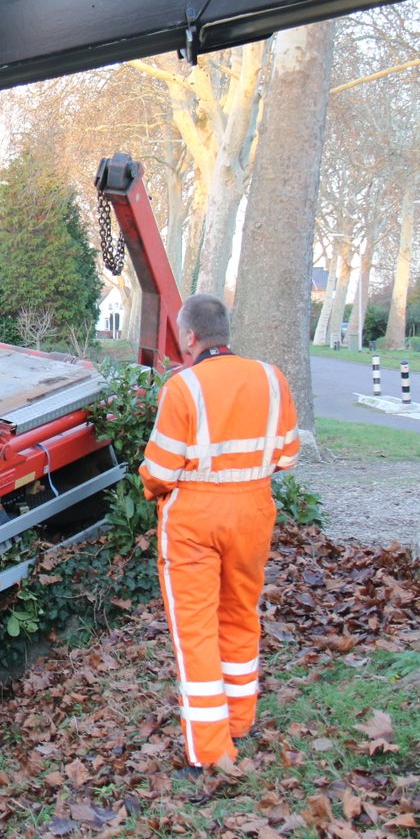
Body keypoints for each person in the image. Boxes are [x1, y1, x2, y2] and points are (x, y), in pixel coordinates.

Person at [140, 294, 300, 770]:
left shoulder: (183, 387)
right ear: (224, 332)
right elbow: (287, 456)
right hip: (254, 511)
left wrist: (152, 489)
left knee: (196, 630)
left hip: (194, 520)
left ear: (190, 338)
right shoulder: (272, 379)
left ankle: (210, 752)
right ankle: (239, 721)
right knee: (240, 614)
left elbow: (160, 469)